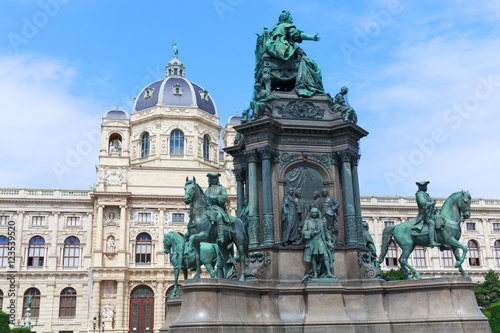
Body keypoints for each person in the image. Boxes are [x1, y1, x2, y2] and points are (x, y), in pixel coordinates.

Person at [265, 11, 325, 97]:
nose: (292, 21)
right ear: (286, 19)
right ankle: (309, 86)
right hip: (288, 56)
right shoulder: (286, 26)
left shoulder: (274, 29)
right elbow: (298, 35)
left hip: (275, 55)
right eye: (291, 19)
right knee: (314, 66)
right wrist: (312, 37)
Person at [302, 208, 335, 278]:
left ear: (317, 213)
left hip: (321, 241)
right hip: (312, 241)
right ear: (311, 213)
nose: (314, 214)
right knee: (314, 257)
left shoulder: (321, 222)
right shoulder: (307, 222)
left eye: (315, 212)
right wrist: (311, 233)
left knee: (325, 256)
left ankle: (328, 273)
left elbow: (326, 232)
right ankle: (315, 274)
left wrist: (329, 239)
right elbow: (303, 231)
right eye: (313, 212)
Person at [205, 172, 232, 244]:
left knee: (218, 216)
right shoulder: (207, 190)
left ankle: (221, 236)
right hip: (208, 208)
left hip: (218, 208)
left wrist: (215, 198)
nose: (213, 180)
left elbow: (224, 197)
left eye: (215, 178)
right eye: (212, 179)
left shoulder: (221, 188)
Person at [412, 181, 440, 247]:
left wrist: (434, 210)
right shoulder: (420, 194)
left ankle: (442, 243)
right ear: (421, 187)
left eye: (426, 186)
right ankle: (432, 242)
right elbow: (423, 204)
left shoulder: (426, 194)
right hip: (424, 215)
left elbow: (429, 207)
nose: (426, 187)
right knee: (431, 223)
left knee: (440, 221)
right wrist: (432, 203)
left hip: (430, 214)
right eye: (425, 186)